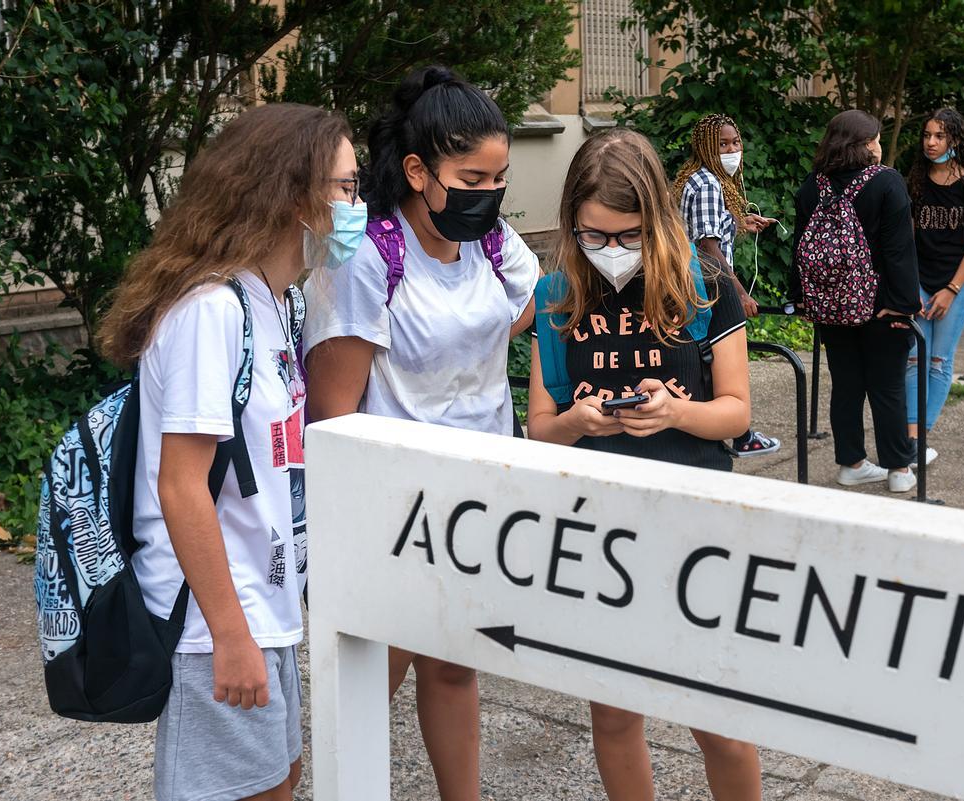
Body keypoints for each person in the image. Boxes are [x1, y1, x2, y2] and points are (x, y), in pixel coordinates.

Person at [95, 103, 357, 801]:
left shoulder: (273, 299)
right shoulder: (210, 311)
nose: (357, 204)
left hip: (261, 603)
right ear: (293, 194)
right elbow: (179, 485)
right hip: (215, 618)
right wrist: (230, 635)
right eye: (346, 187)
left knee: (278, 780)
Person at [302, 66, 539, 801]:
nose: (490, 193)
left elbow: (525, 308)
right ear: (417, 169)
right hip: (397, 509)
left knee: (456, 663)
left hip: (480, 495)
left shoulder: (491, 244)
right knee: (379, 670)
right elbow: (332, 414)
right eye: (474, 175)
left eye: (499, 176)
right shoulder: (369, 257)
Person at [527, 127, 763, 801]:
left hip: (697, 524)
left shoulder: (705, 284)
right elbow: (539, 430)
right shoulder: (557, 296)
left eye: (627, 235)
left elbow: (737, 412)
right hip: (599, 527)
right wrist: (576, 420)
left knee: (718, 720)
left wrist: (676, 412)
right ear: (572, 226)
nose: (610, 253)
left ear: (656, 219)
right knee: (614, 709)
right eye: (593, 236)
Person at [788, 109, 922, 493]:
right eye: (876, 139)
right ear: (865, 144)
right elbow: (899, 251)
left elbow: (801, 247)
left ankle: (851, 463)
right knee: (887, 386)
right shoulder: (887, 183)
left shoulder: (813, 186)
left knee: (845, 384)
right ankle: (898, 470)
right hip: (881, 305)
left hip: (829, 306)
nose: (879, 146)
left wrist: (800, 298)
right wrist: (904, 303)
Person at [673, 113, 781, 458]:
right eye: (723, 144)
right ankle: (740, 434)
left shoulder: (701, 179)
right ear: (706, 146)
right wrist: (739, 292)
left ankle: (723, 431)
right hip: (710, 286)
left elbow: (707, 229)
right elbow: (706, 245)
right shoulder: (707, 183)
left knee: (706, 361)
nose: (732, 149)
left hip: (698, 283)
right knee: (722, 361)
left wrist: (739, 223)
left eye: (735, 142)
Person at [905, 108, 964, 462]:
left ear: (954, 140)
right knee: (912, 358)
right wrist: (910, 286)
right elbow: (906, 240)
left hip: (961, 281)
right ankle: (910, 442)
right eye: (927, 136)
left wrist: (951, 290)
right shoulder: (916, 181)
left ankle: (921, 438)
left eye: (939, 136)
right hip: (920, 280)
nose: (931, 143)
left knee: (938, 359)